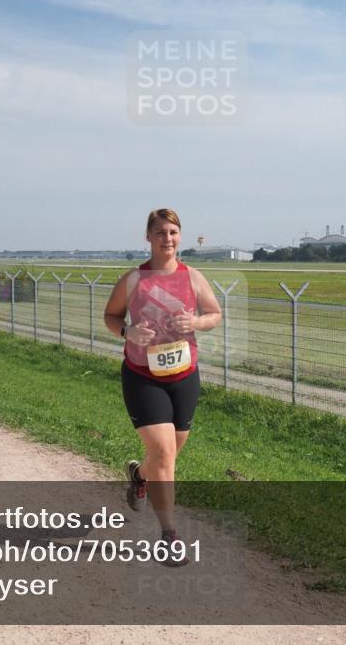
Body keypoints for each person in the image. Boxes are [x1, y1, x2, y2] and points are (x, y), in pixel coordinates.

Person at [103, 208, 221, 566]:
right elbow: (110, 316)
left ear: (180, 236)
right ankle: (169, 535)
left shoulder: (193, 278)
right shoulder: (134, 279)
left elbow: (215, 314)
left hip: (184, 376)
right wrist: (128, 331)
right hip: (142, 376)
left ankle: (140, 475)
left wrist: (196, 321)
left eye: (172, 232)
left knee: (165, 456)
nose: (166, 239)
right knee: (165, 455)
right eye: (159, 233)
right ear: (148, 238)